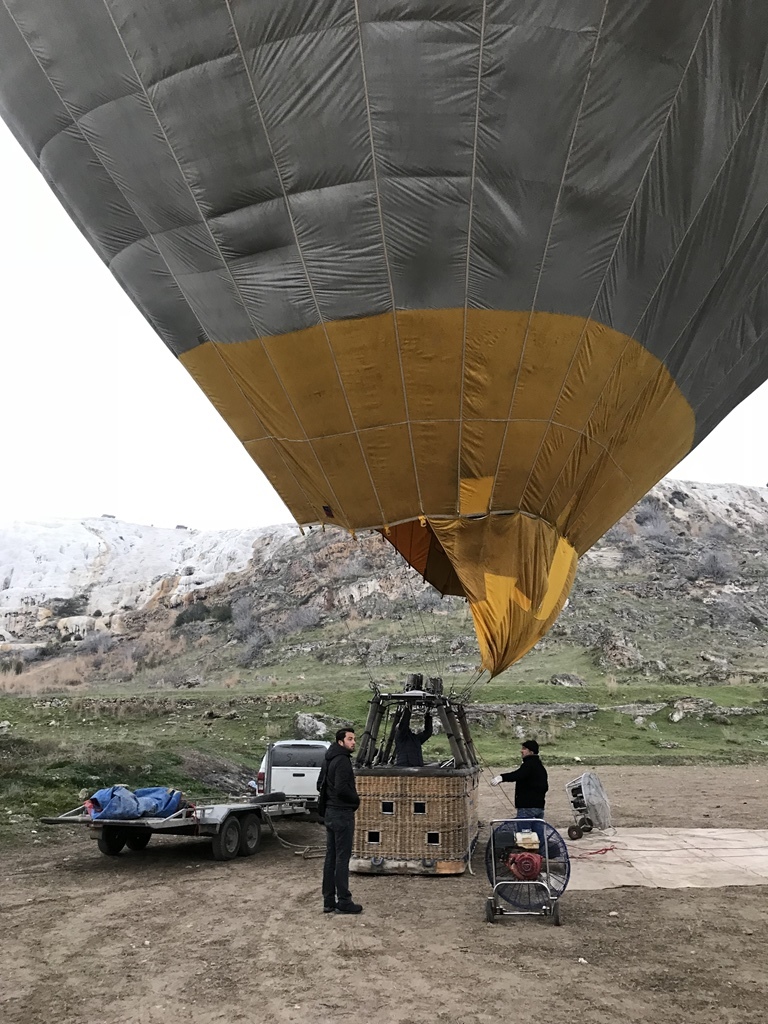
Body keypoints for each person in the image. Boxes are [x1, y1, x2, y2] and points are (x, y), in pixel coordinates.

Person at [317, 727, 362, 915]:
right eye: (350, 739)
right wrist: (355, 800)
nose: (353, 742)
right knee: (342, 859)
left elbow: (319, 784)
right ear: (340, 741)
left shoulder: (328, 759)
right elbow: (343, 789)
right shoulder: (342, 761)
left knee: (331, 858)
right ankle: (344, 900)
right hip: (342, 814)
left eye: (354, 739)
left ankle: (328, 901)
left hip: (330, 813)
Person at [490, 739, 548, 823]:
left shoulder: (529, 765)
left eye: (524, 749)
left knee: (524, 834)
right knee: (538, 834)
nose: (521, 751)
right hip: (539, 807)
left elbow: (518, 775)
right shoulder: (540, 766)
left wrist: (501, 777)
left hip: (527, 807)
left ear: (531, 752)